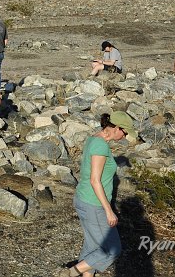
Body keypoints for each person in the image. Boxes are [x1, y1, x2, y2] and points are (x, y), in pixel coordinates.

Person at [58, 111, 136, 277]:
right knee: (112, 249)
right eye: (125, 132)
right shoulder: (100, 145)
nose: (125, 136)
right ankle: (70, 274)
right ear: (117, 128)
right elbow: (95, 180)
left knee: (93, 248)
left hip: (84, 200)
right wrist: (109, 211)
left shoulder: (94, 138)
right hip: (94, 204)